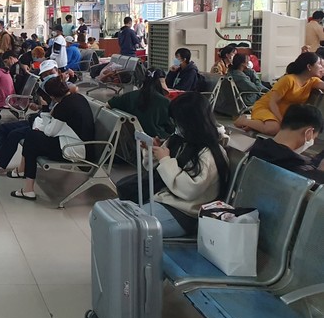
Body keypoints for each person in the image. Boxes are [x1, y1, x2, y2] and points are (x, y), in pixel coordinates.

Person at [118, 93, 229, 237]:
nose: (176, 127)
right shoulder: (180, 140)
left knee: (122, 229)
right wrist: (152, 151)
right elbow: (156, 171)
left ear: (191, 122)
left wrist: (165, 160)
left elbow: (189, 191)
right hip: (163, 200)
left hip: (185, 214)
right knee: (108, 216)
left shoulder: (209, 154)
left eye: (178, 122)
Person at [12, 77, 94, 201]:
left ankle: (28, 188)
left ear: (52, 96)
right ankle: (27, 185)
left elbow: (50, 132)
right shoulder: (77, 97)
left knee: (31, 137)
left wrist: (46, 111)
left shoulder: (63, 106)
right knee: (32, 138)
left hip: (74, 150)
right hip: (81, 145)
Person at [234, 51, 324, 136]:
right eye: (319, 64)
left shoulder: (312, 81)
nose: (322, 67)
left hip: (283, 114)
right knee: (274, 128)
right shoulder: (288, 80)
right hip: (266, 108)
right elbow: (272, 102)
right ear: (309, 67)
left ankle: (257, 124)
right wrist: (281, 121)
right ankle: (244, 121)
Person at [247, 104, 324, 183]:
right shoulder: (295, 167)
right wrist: (320, 173)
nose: (312, 141)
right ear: (308, 133)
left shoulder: (257, 147)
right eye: (314, 138)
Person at [108, 68, 174, 139]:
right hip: (156, 141)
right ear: (161, 83)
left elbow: (107, 106)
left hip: (131, 140)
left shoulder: (128, 96)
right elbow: (171, 128)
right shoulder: (164, 102)